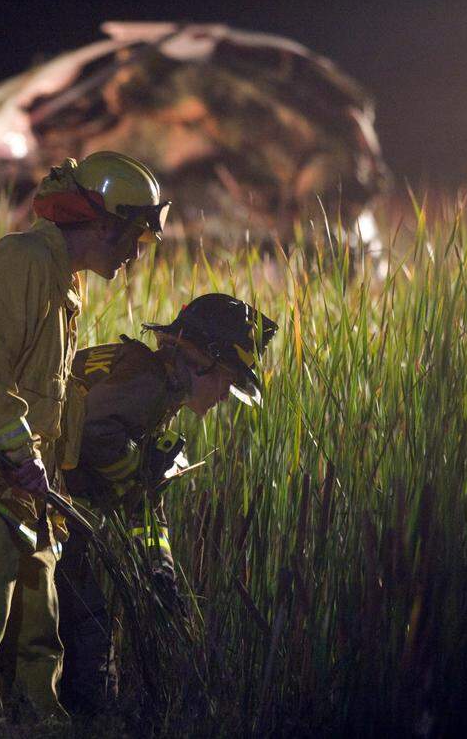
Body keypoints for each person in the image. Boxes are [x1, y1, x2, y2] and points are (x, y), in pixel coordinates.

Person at [0, 151, 169, 717]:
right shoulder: (19, 262)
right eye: (134, 237)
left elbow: (53, 406)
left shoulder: (64, 285)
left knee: (35, 664)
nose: (136, 253)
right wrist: (25, 454)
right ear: (101, 223)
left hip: (23, 499)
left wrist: (54, 488)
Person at [56, 293, 278, 714]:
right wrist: (139, 467)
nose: (226, 396)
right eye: (228, 380)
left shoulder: (160, 393)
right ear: (201, 360)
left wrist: (161, 571)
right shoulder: (148, 384)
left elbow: (145, 503)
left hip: (56, 518)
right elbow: (90, 436)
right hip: (43, 514)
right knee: (89, 635)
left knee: (88, 631)